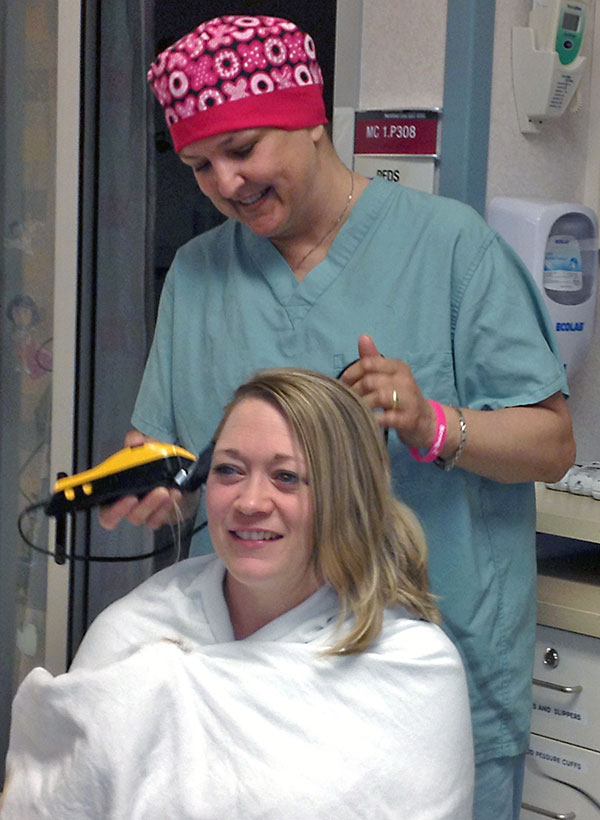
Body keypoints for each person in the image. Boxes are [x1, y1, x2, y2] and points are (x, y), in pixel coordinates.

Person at [98, 14, 576, 819]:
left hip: (434, 665)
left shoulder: (450, 248)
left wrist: (430, 425)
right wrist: (150, 484)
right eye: (199, 165)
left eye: (243, 149)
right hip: (254, 679)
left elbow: (552, 442)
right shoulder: (199, 274)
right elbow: (172, 454)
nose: (224, 184)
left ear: (312, 118)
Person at [1, 368, 475, 819]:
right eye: (229, 471)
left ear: (345, 497)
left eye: (286, 476)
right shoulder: (137, 629)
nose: (250, 503)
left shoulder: (410, 671)